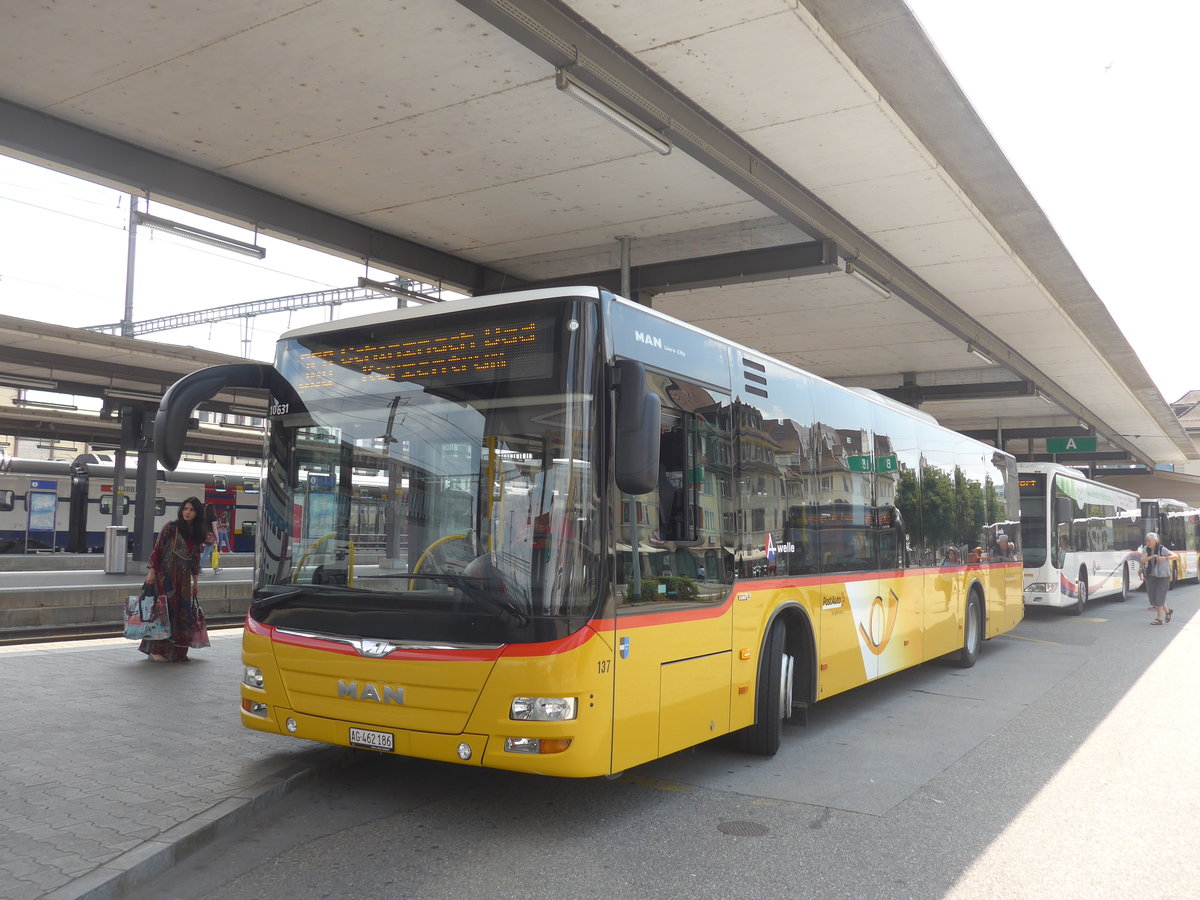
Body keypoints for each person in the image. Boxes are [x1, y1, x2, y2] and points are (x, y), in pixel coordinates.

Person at [140, 496, 207, 661]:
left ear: (197, 513)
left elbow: (195, 560)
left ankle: (177, 652)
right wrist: (152, 572)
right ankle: (157, 651)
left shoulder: (197, 534)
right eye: (185, 509)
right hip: (166, 577)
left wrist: (196, 582)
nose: (187, 512)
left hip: (183, 581)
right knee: (163, 613)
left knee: (181, 615)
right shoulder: (171, 528)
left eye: (191, 510)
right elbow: (158, 550)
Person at [1139, 532, 1178, 625]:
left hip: (1163, 576)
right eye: (1146, 541)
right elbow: (1142, 560)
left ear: (1155, 541)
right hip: (1150, 576)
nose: (1147, 543)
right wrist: (1152, 556)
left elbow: (1176, 556)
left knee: (1159, 596)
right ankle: (1168, 611)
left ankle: (1159, 619)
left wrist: (1164, 558)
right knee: (1153, 599)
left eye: (1149, 541)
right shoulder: (1145, 549)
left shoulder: (1162, 548)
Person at [199, 503, 220, 574]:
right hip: (211, 537)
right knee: (206, 553)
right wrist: (217, 537)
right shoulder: (213, 517)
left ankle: (216, 568)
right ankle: (198, 568)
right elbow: (215, 528)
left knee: (213, 553)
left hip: (206, 536)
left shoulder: (205, 516)